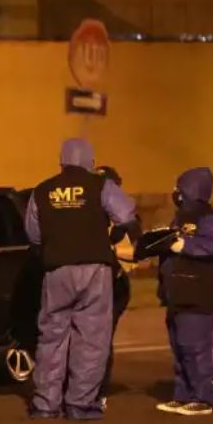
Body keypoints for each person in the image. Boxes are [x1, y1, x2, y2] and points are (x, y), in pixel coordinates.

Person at [24, 138, 140, 421]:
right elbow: (127, 214)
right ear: (89, 160)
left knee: (52, 336)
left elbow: (33, 234)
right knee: (91, 337)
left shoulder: (42, 190)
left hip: (56, 270)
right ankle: (80, 402)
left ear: (61, 160)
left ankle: (45, 404)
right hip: (93, 269)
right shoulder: (101, 186)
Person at [155, 167, 213, 416]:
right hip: (177, 292)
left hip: (198, 293)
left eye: (180, 187)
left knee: (195, 346)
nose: (175, 192)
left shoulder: (207, 217)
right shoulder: (181, 217)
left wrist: (185, 245)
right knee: (179, 346)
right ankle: (182, 394)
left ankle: (202, 397)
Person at [94, 165, 136, 406]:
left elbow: (134, 251)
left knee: (100, 337)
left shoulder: (124, 220)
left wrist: (110, 250)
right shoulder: (87, 214)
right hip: (90, 283)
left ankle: (99, 390)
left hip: (113, 284)